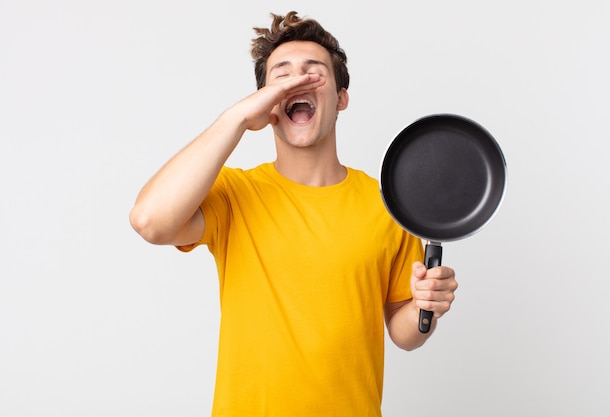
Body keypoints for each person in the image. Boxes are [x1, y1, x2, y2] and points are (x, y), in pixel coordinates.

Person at [130, 11, 458, 417]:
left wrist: (426, 305)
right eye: (281, 76)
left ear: (340, 98)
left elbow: (403, 332)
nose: (297, 81)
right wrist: (235, 119)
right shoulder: (235, 195)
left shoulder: (387, 202)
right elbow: (149, 220)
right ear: (265, 103)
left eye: (314, 72)